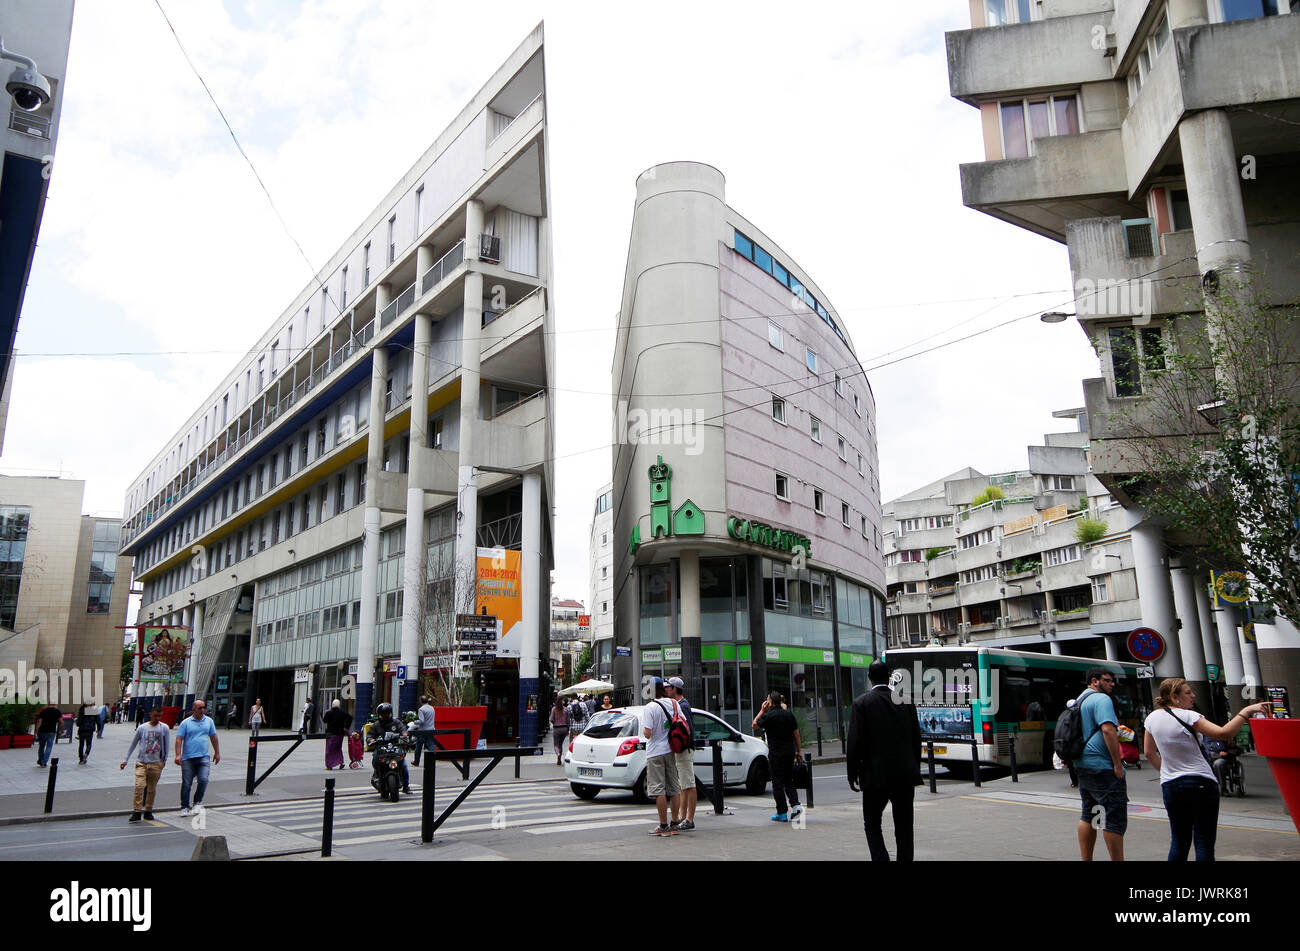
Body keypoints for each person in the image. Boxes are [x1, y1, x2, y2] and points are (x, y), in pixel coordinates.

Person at [1143, 678, 1269, 862]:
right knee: (1203, 842)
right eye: (1188, 692)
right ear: (1174, 697)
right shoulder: (1190, 716)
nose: (1193, 695)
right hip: (1200, 782)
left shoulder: (1151, 718)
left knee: (1179, 841)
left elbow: (1148, 752)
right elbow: (1223, 733)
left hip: (1171, 785)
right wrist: (1245, 712)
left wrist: (1167, 772)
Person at [847, 661, 922, 861]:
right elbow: (916, 739)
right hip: (905, 775)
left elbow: (855, 743)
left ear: (869, 677)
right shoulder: (906, 701)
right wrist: (914, 765)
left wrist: (852, 774)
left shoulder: (861, 703)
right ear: (889, 676)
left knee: (872, 823)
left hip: (874, 776)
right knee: (905, 826)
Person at [1074, 667, 1128, 861]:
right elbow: (1108, 730)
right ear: (1094, 681)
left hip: (1083, 765)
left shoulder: (1080, 700)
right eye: (1107, 680)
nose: (1112, 684)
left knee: (1092, 813)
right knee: (1113, 818)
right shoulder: (1102, 699)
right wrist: (1117, 764)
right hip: (1103, 768)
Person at [754, 690, 803, 822]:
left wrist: (762, 710)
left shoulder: (769, 716)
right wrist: (798, 751)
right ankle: (796, 806)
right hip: (789, 752)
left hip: (776, 754)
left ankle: (781, 813)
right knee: (788, 780)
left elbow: (754, 724)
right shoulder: (788, 715)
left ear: (770, 702)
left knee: (777, 783)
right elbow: (796, 734)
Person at [641, 678, 682, 836]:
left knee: (659, 790)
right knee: (674, 788)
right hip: (671, 749)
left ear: (651, 689)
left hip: (655, 752)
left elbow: (648, 732)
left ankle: (664, 826)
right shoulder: (673, 703)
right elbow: (681, 721)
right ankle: (675, 824)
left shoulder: (650, 707)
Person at [121, 706, 170, 821]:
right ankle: (137, 811)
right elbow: (133, 744)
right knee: (139, 786)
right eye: (155, 716)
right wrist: (125, 759)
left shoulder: (164, 728)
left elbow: (166, 745)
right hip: (142, 762)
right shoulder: (142, 728)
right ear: (150, 714)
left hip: (156, 762)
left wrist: (164, 761)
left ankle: (148, 810)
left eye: (160, 716)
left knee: (151, 789)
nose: (157, 718)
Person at [174, 699, 221, 817]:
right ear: (193, 709)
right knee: (186, 783)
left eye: (204, 707)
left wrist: (217, 752)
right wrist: (178, 754)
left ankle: (197, 802)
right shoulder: (185, 723)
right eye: (200, 708)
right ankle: (184, 806)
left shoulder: (209, 721)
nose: (203, 710)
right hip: (188, 757)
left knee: (204, 779)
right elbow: (179, 739)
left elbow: (213, 737)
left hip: (203, 756)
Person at [664, 677, 697, 832]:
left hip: (684, 749)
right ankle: (683, 817)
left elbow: (688, 728)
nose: (667, 690)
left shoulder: (683, 705)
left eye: (669, 687)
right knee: (684, 785)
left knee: (689, 784)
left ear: (675, 689)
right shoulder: (679, 704)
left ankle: (689, 818)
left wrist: (684, 745)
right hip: (682, 749)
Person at [366, 702, 410, 794]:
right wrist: (371, 740)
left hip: (395, 748)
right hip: (381, 749)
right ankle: (377, 775)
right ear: (379, 714)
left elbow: (403, 729)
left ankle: (406, 786)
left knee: (404, 766)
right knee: (375, 760)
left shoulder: (396, 722)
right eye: (383, 713)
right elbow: (369, 735)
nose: (385, 715)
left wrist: (404, 734)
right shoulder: (376, 725)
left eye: (387, 712)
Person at [323, 699, 353, 770]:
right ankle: (340, 762)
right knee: (338, 749)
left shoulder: (329, 713)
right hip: (340, 734)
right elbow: (350, 717)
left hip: (331, 734)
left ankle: (329, 765)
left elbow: (324, 721)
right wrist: (346, 727)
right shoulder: (342, 713)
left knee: (329, 750)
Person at [33, 702, 61, 767]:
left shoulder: (43, 711)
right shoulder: (57, 711)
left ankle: (40, 760)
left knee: (41, 746)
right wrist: (62, 729)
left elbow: (39, 722)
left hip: (42, 731)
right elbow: (61, 721)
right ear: (54, 704)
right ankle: (44, 762)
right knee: (49, 747)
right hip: (51, 731)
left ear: (48, 704)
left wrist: (36, 731)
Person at [412, 695, 436, 766]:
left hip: (423, 730)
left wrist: (415, 721)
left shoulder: (421, 709)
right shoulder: (432, 708)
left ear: (421, 701)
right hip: (431, 729)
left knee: (419, 746)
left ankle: (416, 762)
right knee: (431, 746)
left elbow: (422, 721)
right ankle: (432, 761)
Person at [549, 696, 569, 766]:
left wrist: (554, 723)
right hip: (564, 728)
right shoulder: (566, 709)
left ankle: (558, 754)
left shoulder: (554, 709)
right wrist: (567, 730)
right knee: (560, 744)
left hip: (556, 728)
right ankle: (559, 760)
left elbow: (551, 719)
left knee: (556, 745)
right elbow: (568, 720)